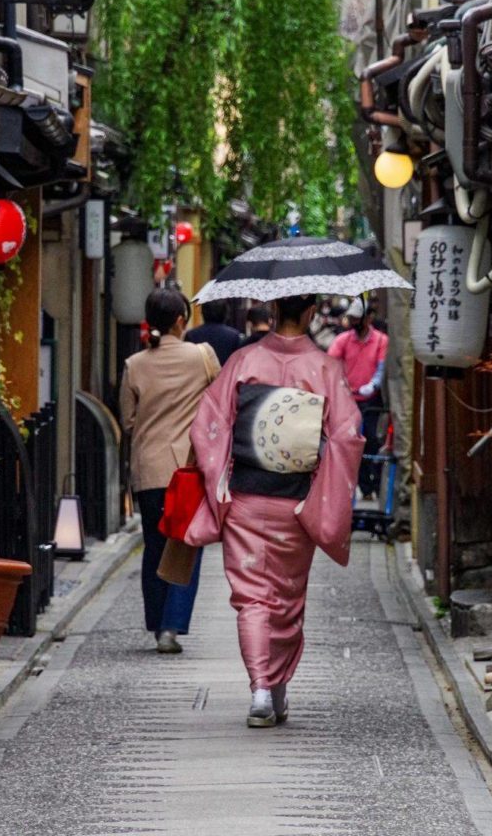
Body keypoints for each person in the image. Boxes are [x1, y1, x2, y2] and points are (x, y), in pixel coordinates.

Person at [186, 294, 364, 727]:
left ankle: (263, 689)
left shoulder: (243, 361)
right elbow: (347, 436)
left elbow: (209, 425)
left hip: (245, 497)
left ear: (272, 309)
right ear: (308, 313)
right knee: (286, 598)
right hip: (295, 501)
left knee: (251, 598)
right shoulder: (325, 368)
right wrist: (319, 474)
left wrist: (221, 480)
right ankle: (274, 687)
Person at [120, 289, 219, 653]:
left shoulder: (134, 364)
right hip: (187, 469)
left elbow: (128, 421)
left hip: (148, 468)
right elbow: (221, 402)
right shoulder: (202, 356)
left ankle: (156, 619)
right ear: (182, 320)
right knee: (185, 546)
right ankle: (170, 628)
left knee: (154, 544)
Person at [327, 297, 388, 498]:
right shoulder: (343, 340)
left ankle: (376, 483)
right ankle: (364, 487)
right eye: (351, 319)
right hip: (349, 400)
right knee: (352, 444)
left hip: (372, 401)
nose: (354, 323)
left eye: (357, 319)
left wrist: (372, 385)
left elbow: (381, 368)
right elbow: (330, 363)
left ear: (368, 318)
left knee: (373, 441)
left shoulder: (380, 340)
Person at [185, 299, 242, 365]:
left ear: (203, 313)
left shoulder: (191, 335)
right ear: (225, 313)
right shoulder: (234, 336)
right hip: (225, 373)